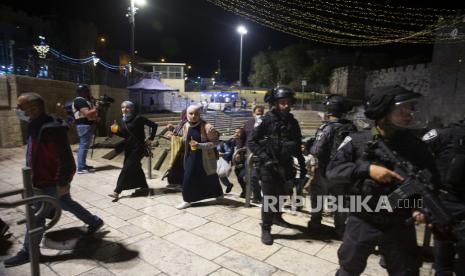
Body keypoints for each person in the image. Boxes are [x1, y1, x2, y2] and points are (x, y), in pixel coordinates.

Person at [326, 86, 438, 275]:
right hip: (363, 217)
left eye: (411, 108)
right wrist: (367, 169)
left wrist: (420, 206)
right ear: (383, 112)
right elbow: (334, 172)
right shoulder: (357, 141)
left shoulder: (416, 146)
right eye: (402, 109)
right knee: (349, 268)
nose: (409, 114)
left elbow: (431, 180)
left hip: (400, 223)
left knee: (406, 271)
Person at [4, 93, 103, 267]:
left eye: (21, 108)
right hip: (43, 179)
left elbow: (64, 158)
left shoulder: (49, 127)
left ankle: (28, 251)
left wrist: (63, 181)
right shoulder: (37, 123)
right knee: (65, 202)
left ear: (33, 109)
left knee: (36, 218)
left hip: (50, 181)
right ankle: (94, 221)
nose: (17, 110)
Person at [248, 86, 306, 245]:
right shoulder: (266, 120)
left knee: (282, 195)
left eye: (288, 102)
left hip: (286, 165)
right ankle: (266, 228)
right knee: (269, 198)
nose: (286, 105)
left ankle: (277, 217)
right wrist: (265, 157)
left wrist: (303, 166)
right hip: (268, 166)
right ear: (275, 103)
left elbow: (297, 145)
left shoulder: (293, 122)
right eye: (282, 102)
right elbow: (251, 142)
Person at [309, 94, 357, 237]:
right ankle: (340, 228)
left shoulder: (327, 128)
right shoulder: (352, 128)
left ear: (329, 110)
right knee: (340, 202)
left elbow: (316, 150)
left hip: (325, 170)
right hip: (344, 172)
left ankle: (315, 222)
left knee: (318, 196)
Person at [422, 121, 465, 275]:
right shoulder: (444, 134)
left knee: (443, 261)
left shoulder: (443, 134)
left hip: (445, 203)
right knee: (444, 258)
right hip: (445, 203)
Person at [176, 105, 224, 209]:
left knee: (210, 176)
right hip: (192, 156)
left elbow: (216, 143)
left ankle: (218, 194)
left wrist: (200, 145)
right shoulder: (186, 125)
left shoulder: (208, 127)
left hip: (206, 158)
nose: (193, 116)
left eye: (196, 114)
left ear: (200, 114)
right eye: (191, 113)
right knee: (188, 177)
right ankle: (187, 199)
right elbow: (186, 140)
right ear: (186, 114)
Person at [108, 101, 157, 200]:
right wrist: (116, 131)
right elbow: (125, 135)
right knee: (136, 167)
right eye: (122, 107)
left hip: (138, 148)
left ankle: (117, 191)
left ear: (132, 108)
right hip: (128, 148)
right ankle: (143, 186)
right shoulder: (122, 120)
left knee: (126, 168)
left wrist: (151, 138)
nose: (124, 109)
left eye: (127, 107)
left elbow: (154, 125)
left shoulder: (138, 118)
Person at [72, 84, 98, 174]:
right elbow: (87, 113)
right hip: (84, 125)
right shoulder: (79, 100)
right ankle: (81, 168)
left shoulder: (85, 100)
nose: (88, 93)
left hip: (86, 125)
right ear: (82, 92)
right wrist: (97, 107)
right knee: (83, 146)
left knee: (85, 146)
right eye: (86, 91)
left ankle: (83, 165)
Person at [243, 105, 265, 202]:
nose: (259, 115)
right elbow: (242, 137)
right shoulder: (248, 124)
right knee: (249, 177)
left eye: (261, 113)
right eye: (257, 113)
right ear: (253, 114)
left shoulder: (266, 124)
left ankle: (260, 196)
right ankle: (256, 196)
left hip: (260, 153)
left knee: (256, 176)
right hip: (249, 154)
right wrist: (240, 149)